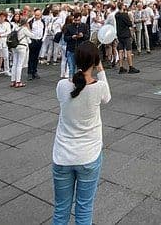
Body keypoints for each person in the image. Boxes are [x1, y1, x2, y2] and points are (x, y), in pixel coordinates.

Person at [51, 42, 110, 225]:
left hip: (62, 155)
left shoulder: (62, 86)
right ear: (95, 61)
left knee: (61, 209)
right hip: (88, 155)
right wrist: (100, 69)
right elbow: (107, 97)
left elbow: (73, 87)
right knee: (84, 208)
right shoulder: (99, 88)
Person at [114, 4, 140, 74]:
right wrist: (131, 20)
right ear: (122, 7)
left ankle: (121, 67)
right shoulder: (125, 15)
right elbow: (130, 24)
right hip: (126, 34)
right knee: (128, 50)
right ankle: (131, 67)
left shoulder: (116, 15)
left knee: (120, 51)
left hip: (119, 34)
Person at [64, 12, 90, 79]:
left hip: (81, 50)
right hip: (71, 49)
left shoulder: (85, 26)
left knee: (81, 69)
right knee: (71, 68)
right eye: (75, 20)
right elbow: (65, 38)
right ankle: (71, 82)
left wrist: (83, 35)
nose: (77, 22)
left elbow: (87, 36)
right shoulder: (69, 27)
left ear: (81, 19)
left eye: (78, 20)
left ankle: (80, 83)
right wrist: (72, 37)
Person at [11, 19, 33, 88]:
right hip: (22, 47)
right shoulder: (24, 29)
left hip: (14, 46)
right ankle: (18, 81)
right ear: (26, 23)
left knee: (14, 64)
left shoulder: (16, 28)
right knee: (19, 64)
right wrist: (29, 28)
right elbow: (32, 36)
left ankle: (13, 81)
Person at [27, 8, 45, 80]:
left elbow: (45, 30)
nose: (36, 16)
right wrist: (30, 40)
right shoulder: (31, 21)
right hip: (32, 40)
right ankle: (30, 73)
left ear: (41, 15)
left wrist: (42, 39)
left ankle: (35, 71)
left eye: (38, 15)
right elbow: (28, 31)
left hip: (39, 40)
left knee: (36, 57)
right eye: (36, 15)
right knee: (31, 57)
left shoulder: (43, 22)